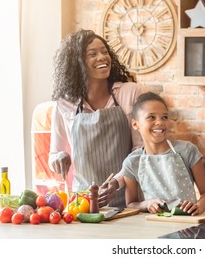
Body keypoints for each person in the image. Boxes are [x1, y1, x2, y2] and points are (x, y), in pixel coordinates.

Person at [48, 29, 143, 208]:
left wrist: (117, 181)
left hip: (129, 199)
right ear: (77, 63)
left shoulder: (130, 93)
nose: (102, 57)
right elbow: (54, 154)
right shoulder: (65, 104)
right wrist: (59, 158)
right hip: (83, 201)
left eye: (104, 52)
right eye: (92, 54)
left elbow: (141, 150)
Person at [117, 92, 205, 215]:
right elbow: (131, 204)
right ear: (135, 124)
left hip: (189, 224)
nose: (160, 122)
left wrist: (198, 208)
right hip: (155, 226)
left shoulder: (187, 150)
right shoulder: (132, 162)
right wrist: (147, 204)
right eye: (151, 117)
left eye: (164, 117)